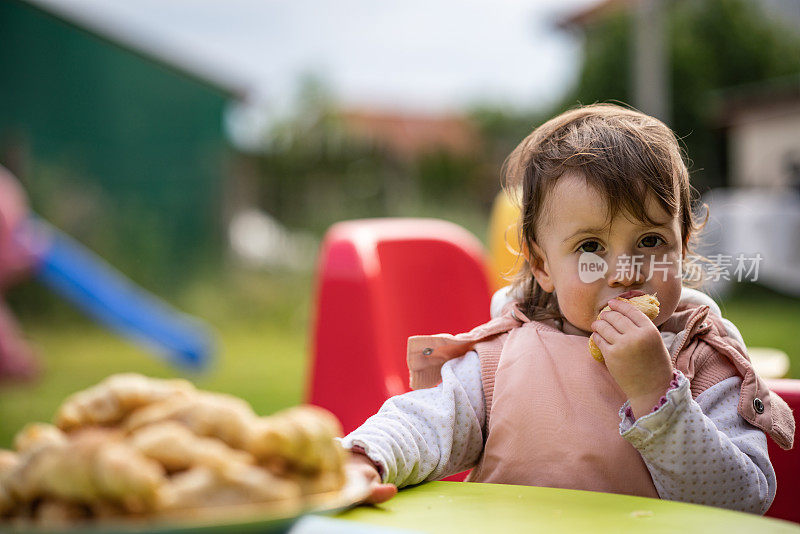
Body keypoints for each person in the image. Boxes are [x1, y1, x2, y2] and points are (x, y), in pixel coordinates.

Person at [341, 104, 795, 514]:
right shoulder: (499, 361)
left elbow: (744, 498)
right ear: (541, 264)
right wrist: (364, 458)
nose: (625, 272)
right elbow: (423, 422)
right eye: (591, 246)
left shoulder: (703, 360)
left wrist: (658, 396)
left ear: (683, 247)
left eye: (651, 241)